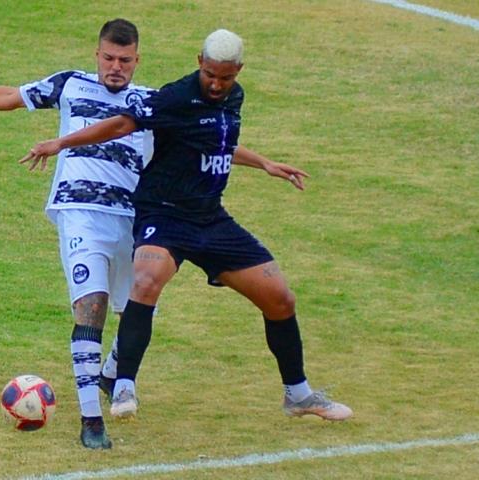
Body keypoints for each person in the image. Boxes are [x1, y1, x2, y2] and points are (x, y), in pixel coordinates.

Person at [21, 29, 353, 423]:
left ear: (238, 72)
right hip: (163, 214)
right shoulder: (175, 97)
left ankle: (298, 395)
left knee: (280, 298)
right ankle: (123, 384)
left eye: (225, 77)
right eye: (211, 74)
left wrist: (265, 163)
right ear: (200, 61)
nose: (216, 84)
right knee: (146, 281)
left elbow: (218, 142)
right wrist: (61, 143)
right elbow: (120, 125)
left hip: (210, 219)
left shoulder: (235, 97)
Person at [0, 19, 154, 449]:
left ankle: (113, 373)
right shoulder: (70, 84)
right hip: (81, 216)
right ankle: (91, 421)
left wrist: (260, 162)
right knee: (90, 308)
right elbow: (10, 96)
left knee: (135, 310)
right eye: (108, 58)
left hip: (134, 220)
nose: (115, 67)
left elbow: (200, 141)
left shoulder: (152, 102)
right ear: (96, 55)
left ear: (137, 60)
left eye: (124, 60)